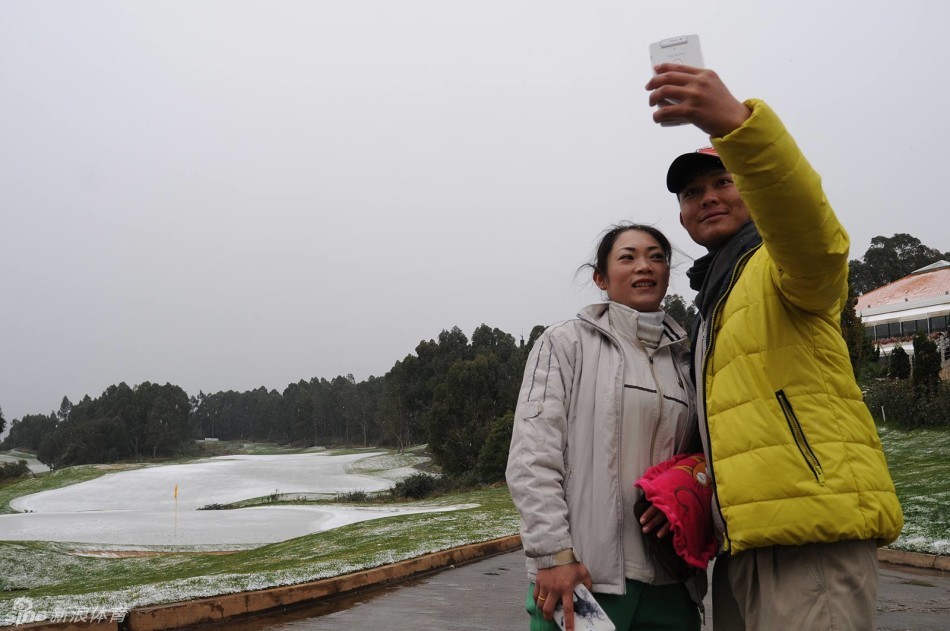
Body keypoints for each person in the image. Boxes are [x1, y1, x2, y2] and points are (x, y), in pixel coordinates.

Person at [645, 63, 904, 630]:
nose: (707, 198)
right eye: (692, 193)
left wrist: (739, 128)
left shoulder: (782, 265)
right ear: (682, 217)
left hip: (810, 539)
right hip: (744, 541)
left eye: (723, 181)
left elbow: (808, 227)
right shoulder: (715, 296)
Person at [507, 223, 705, 631]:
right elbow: (532, 458)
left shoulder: (687, 361)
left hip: (671, 584)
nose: (644, 266)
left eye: (656, 256)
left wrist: (683, 498)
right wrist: (553, 555)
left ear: (668, 273)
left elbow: (699, 457)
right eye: (627, 257)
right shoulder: (564, 345)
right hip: (581, 581)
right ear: (600, 277)